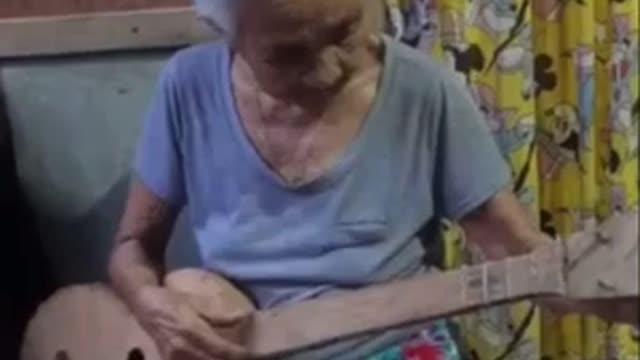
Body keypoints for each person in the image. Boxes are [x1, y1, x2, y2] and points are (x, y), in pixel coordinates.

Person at [108, 1, 574, 359]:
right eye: (288, 55)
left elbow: (514, 244)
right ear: (227, 35)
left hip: (392, 346)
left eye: (346, 31)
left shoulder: (423, 91)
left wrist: (586, 290)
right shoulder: (186, 87)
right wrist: (151, 304)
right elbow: (133, 247)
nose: (330, 69)